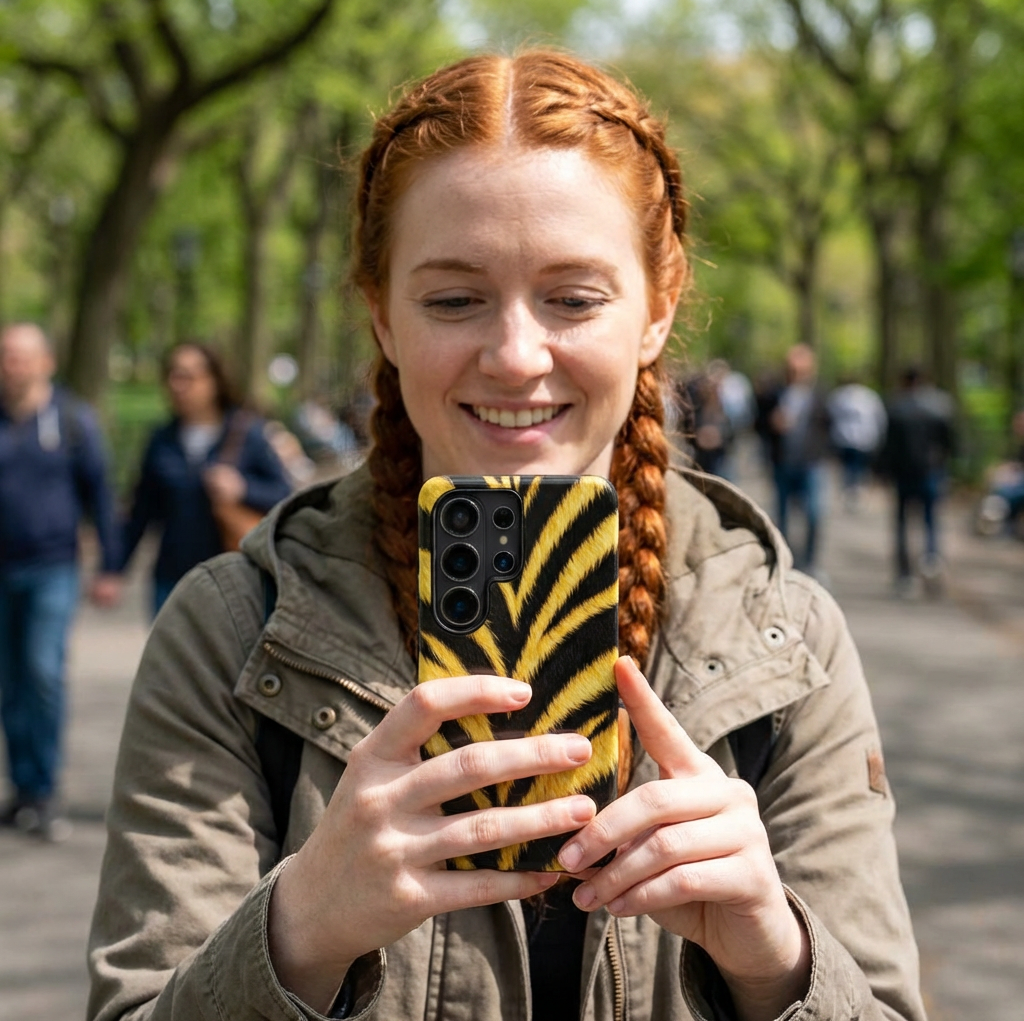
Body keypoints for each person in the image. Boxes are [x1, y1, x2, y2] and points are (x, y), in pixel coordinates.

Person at [88, 52, 926, 1021]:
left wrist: (778, 962)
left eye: (572, 298)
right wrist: (300, 931)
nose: (517, 354)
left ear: (658, 303)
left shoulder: (790, 639)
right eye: (453, 299)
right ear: (380, 312)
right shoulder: (232, 632)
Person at [0, 323, 120, 840]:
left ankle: (45, 789)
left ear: (45, 362)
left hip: (53, 567)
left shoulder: (72, 421)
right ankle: (23, 788)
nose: (12, 367)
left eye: (22, 358)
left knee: (42, 671)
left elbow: (101, 494)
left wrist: (111, 566)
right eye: (5, 358)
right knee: (9, 681)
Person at [116, 342, 292, 615]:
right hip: (172, 579)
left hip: (234, 580)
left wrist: (243, 488)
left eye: (187, 376)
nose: (177, 385)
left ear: (214, 381)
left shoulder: (247, 433)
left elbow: (284, 494)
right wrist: (114, 569)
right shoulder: (161, 440)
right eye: (171, 375)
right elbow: (142, 511)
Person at [881, 366, 955, 596]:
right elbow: (950, 442)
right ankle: (931, 559)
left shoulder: (895, 408)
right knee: (930, 520)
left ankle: (905, 575)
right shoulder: (940, 406)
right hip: (931, 472)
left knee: (903, 524)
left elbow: (888, 446)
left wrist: (884, 471)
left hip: (904, 475)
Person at [757, 344, 831, 573]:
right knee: (782, 517)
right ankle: (784, 563)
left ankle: (810, 563)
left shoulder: (820, 395)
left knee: (814, 514)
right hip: (782, 463)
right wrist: (772, 423)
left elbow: (828, 426)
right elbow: (756, 424)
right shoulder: (773, 395)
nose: (796, 374)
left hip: (811, 464)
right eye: (792, 369)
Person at [827, 375, 887, 510]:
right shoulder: (869, 396)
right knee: (853, 466)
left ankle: (852, 488)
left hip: (852, 439)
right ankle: (852, 489)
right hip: (858, 440)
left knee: (853, 466)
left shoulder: (841, 395)